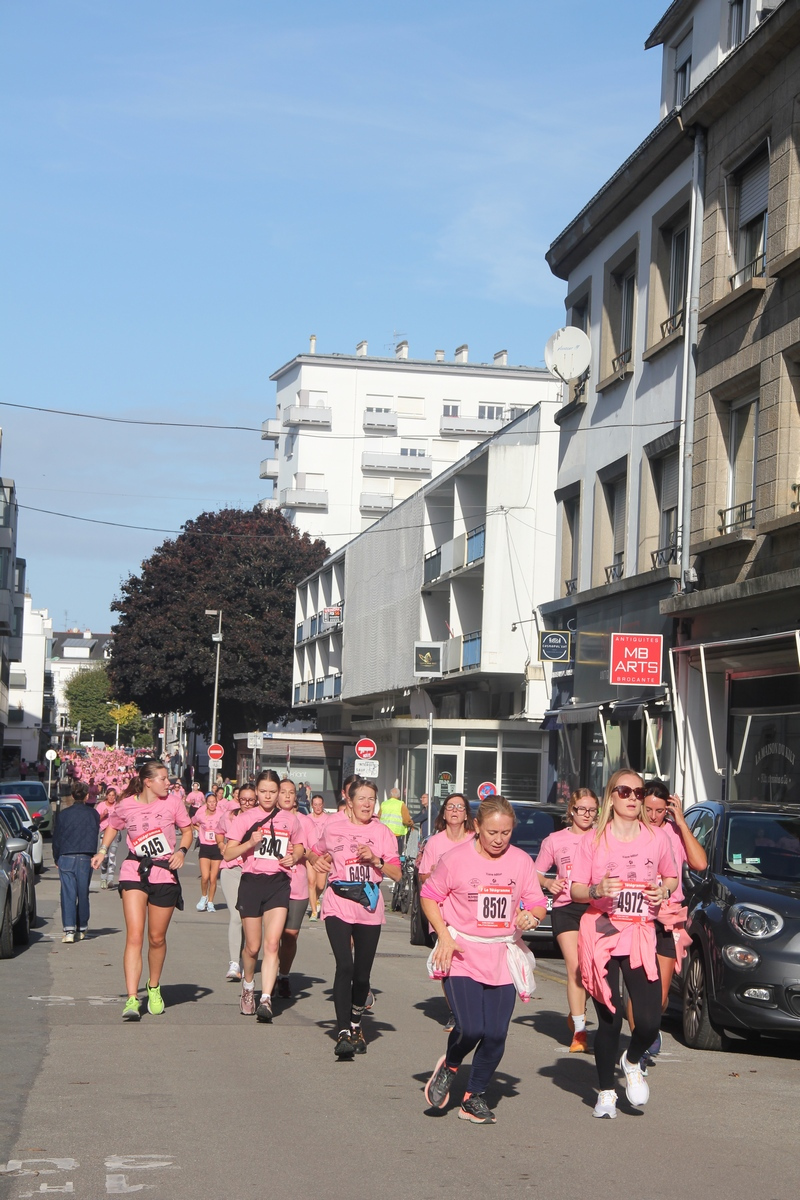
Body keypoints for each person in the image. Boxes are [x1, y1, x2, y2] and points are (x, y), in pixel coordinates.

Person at [420, 795, 547, 1124]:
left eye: (506, 832)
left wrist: (532, 917)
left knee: (496, 1034)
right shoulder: (456, 859)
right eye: (492, 832)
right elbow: (429, 896)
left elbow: (537, 902)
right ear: (476, 826)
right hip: (462, 952)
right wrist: (444, 936)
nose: (499, 839)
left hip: (502, 954)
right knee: (471, 1027)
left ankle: (473, 1096)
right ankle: (451, 1064)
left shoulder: (520, 861)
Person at [570, 770, 678, 1119]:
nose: (633, 798)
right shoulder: (593, 840)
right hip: (602, 930)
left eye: (639, 792)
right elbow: (575, 889)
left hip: (639, 932)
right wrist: (597, 890)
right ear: (611, 797)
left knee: (648, 1022)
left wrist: (664, 891)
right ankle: (606, 1092)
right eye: (625, 791)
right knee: (611, 1019)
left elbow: (671, 876)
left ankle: (631, 1061)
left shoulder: (656, 838)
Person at [308, 778, 402, 1059]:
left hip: (369, 906)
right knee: (345, 966)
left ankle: (356, 1023)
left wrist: (376, 860)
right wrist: (315, 860)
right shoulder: (333, 828)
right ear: (349, 801)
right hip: (338, 903)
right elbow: (314, 851)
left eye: (371, 799)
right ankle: (342, 1033)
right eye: (361, 798)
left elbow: (397, 874)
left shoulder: (383, 833)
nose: (367, 804)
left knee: (362, 976)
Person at [91, 760, 193, 1021]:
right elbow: (113, 825)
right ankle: (132, 998)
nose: (168, 783)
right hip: (134, 871)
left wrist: (182, 851)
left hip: (164, 872)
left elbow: (187, 831)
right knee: (135, 936)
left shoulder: (173, 803)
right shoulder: (126, 804)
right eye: (163, 778)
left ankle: (154, 986)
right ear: (148, 782)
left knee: (156, 938)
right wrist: (102, 851)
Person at [222, 769, 306, 1023]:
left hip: (278, 883)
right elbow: (228, 853)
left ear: (279, 792)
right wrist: (250, 843)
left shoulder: (290, 819)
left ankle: (266, 999)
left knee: (272, 944)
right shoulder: (245, 818)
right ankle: (248, 986)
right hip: (251, 883)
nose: (268, 796)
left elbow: (300, 845)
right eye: (263, 791)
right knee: (252, 947)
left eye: (273, 791)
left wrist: (295, 856)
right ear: (256, 792)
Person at [640, 779, 706, 1065]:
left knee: (661, 994)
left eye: (659, 811)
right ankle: (639, 1049)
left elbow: (700, 863)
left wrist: (681, 822)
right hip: (638, 915)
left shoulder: (675, 832)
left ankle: (650, 1026)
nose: (653, 816)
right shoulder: (633, 832)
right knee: (639, 987)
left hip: (668, 916)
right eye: (648, 809)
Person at [535, 787, 598, 1052]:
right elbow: (535, 872)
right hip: (566, 908)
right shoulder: (555, 840)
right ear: (571, 810)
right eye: (582, 809)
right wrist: (549, 883)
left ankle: (576, 1012)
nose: (587, 814)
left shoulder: (602, 837)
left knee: (594, 969)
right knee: (575, 968)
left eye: (592, 810)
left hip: (595, 908)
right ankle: (580, 1033)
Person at [417, 793, 473, 1032]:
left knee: (469, 960)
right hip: (441, 911)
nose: (455, 810)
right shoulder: (435, 843)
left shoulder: (475, 840)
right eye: (450, 806)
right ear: (444, 813)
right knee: (448, 961)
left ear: (466, 814)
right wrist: (433, 874)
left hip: (469, 911)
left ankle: (470, 1005)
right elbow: (423, 877)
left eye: (460, 807)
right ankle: (455, 1012)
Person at [275, 779, 315, 998]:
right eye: (283, 792)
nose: (288, 796)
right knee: (273, 936)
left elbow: (314, 852)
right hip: (272, 882)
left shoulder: (305, 821)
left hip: (297, 884)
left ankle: (284, 975)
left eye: (291, 792)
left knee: (291, 935)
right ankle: (270, 976)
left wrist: (298, 851)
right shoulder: (269, 818)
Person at [216, 783, 257, 982]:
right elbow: (218, 832)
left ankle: (246, 956)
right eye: (243, 800)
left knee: (248, 917)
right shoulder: (229, 816)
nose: (247, 804)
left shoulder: (262, 818)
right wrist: (221, 845)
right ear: (238, 799)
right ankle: (234, 963)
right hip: (231, 869)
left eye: (251, 800)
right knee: (236, 915)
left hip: (253, 870)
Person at [53, 781, 100, 943]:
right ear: (87, 796)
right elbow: (94, 834)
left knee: (68, 893)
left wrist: (56, 856)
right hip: (86, 855)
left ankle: (69, 930)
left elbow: (57, 837)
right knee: (83, 892)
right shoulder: (93, 814)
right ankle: (82, 927)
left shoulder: (63, 814)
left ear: (72, 796)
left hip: (66, 855)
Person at [192, 791, 225, 912]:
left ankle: (210, 902)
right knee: (205, 877)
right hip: (205, 848)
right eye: (210, 802)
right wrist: (199, 830)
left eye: (214, 802)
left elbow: (227, 826)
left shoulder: (221, 814)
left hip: (216, 848)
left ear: (217, 803)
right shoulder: (201, 814)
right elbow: (192, 822)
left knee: (213, 878)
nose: (212, 804)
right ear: (206, 803)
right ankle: (204, 896)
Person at [306, 792, 330, 920]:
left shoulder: (328, 819)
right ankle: (314, 912)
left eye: (320, 805)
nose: (317, 807)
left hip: (323, 855)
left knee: (320, 885)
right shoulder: (307, 818)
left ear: (323, 805)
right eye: (315, 805)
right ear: (312, 805)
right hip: (310, 854)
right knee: (311, 882)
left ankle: (315, 898)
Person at [96, 786, 122, 889]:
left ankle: (110, 879)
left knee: (112, 856)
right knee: (105, 857)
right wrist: (103, 815)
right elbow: (96, 819)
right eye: (109, 795)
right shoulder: (101, 805)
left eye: (113, 796)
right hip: (103, 833)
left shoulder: (117, 806)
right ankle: (103, 877)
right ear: (106, 796)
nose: (111, 798)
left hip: (115, 833)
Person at [380, 786, 414, 855]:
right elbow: (406, 820)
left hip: (384, 832)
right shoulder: (401, 804)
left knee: (385, 852)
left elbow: (378, 817)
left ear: (390, 795)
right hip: (396, 833)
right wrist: (411, 824)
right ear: (399, 795)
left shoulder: (384, 804)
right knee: (396, 853)